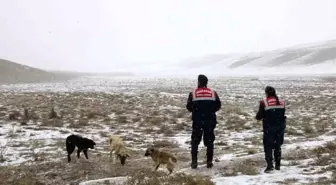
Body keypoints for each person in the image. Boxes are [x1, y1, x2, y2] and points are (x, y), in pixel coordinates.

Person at [186, 74, 221, 169]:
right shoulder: (213, 93)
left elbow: (189, 107)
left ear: (199, 82)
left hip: (198, 121)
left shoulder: (193, 93)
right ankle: (209, 162)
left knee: (195, 141)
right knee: (209, 141)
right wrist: (210, 111)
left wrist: (197, 111)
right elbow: (218, 105)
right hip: (210, 120)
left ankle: (194, 162)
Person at [256, 86, 286, 173]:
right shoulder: (282, 102)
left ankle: (270, 165)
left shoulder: (264, 102)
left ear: (266, 93)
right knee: (277, 146)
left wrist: (259, 117)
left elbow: (259, 116)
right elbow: (283, 113)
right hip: (280, 127)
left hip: (269, 127)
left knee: (268, 146)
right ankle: (277, 165)